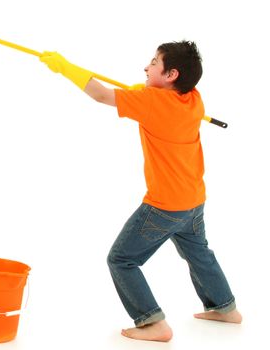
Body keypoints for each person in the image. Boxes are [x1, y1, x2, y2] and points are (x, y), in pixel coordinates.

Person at [39, 41, 242, 342]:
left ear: (171, 73)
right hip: (193, 199)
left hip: (165, 205)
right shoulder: (193, 99)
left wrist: (65, 67)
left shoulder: (151, 102)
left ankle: (152, 322)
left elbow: (101, 94)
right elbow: (156, 99)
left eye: (154, 63)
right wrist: (145, 91)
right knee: (198, 252)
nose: (146, 67)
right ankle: (226, 308)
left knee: (121, 259)